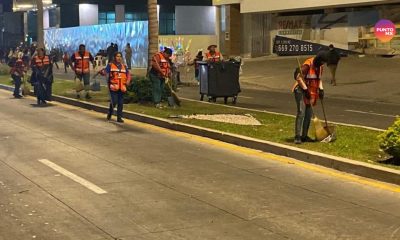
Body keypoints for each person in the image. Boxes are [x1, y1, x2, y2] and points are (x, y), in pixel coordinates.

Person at [292, 55, 326, 144]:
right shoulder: (307, 65)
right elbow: (298, 77)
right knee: (301, 112)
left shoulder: (320, 66)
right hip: (300, 90)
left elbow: (319, 78)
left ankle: (304, 136)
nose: (322, 65)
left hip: (311, 90)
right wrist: (305, 89)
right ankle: (297, 136)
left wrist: (321, 89)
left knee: (308, 113)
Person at [100, 52, 131, 123]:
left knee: (120, 103)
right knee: (114, 102)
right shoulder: (110, 65)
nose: (119, 58)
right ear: (114, 57)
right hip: (113, 87)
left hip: (122, 88)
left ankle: (119, 117)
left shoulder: (124, 66)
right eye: (117, 56)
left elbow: (128, 74)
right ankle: (110, 113)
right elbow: (105, 72)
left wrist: (128, 81)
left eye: (120, 56)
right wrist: (102, 72)